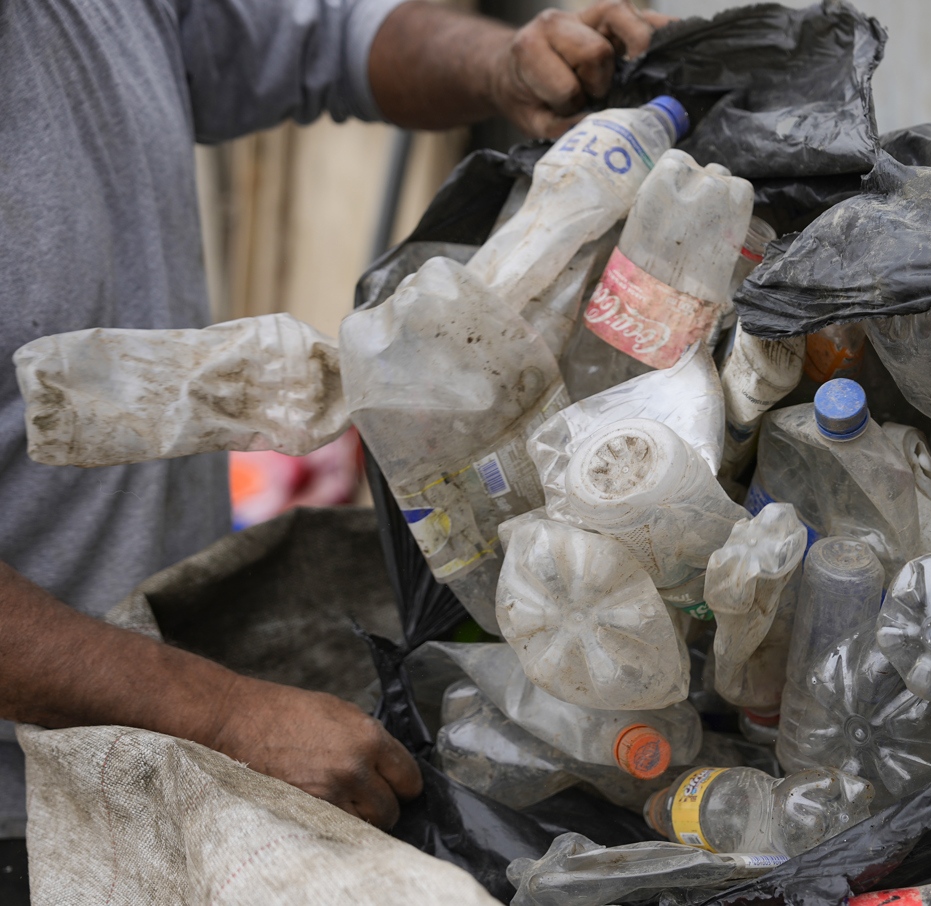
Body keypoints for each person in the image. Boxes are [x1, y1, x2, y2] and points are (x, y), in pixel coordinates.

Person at [0, 0, 670, 847]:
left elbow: (321, 41)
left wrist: (503, 63)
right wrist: (227, 717)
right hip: (36, 805)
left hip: (180, 653)